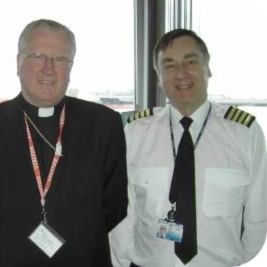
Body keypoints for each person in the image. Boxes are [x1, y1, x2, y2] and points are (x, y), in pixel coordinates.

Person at [0, 19, 128, 266]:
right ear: (18, 63)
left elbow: (115, 204)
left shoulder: (104, 124)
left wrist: (79, 241)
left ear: (71, 66)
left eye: (60, 59)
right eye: (37, 56)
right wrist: (8, 244)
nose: (49, 68)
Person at [109, 29, 267, 267]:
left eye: (191, 62)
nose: (181, 73)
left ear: (208, 68)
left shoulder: (244, 133)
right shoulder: (136, 133)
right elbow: (122, 214)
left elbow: (258, 214)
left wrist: (229, 260)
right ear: (159, 76)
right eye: (169, 65)